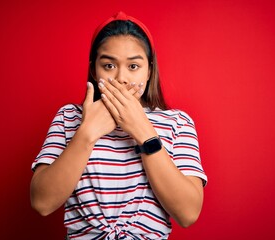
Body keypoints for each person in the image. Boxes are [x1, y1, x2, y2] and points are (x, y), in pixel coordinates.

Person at [30, 11, 207, 239]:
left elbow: (188, 213)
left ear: (149, 70)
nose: (121, 78)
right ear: (94, 70)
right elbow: (42, 202)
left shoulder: (178, 123)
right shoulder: (69, 117)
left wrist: (143, 131)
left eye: (133, 66)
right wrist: (87, 133)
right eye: (109, 65)